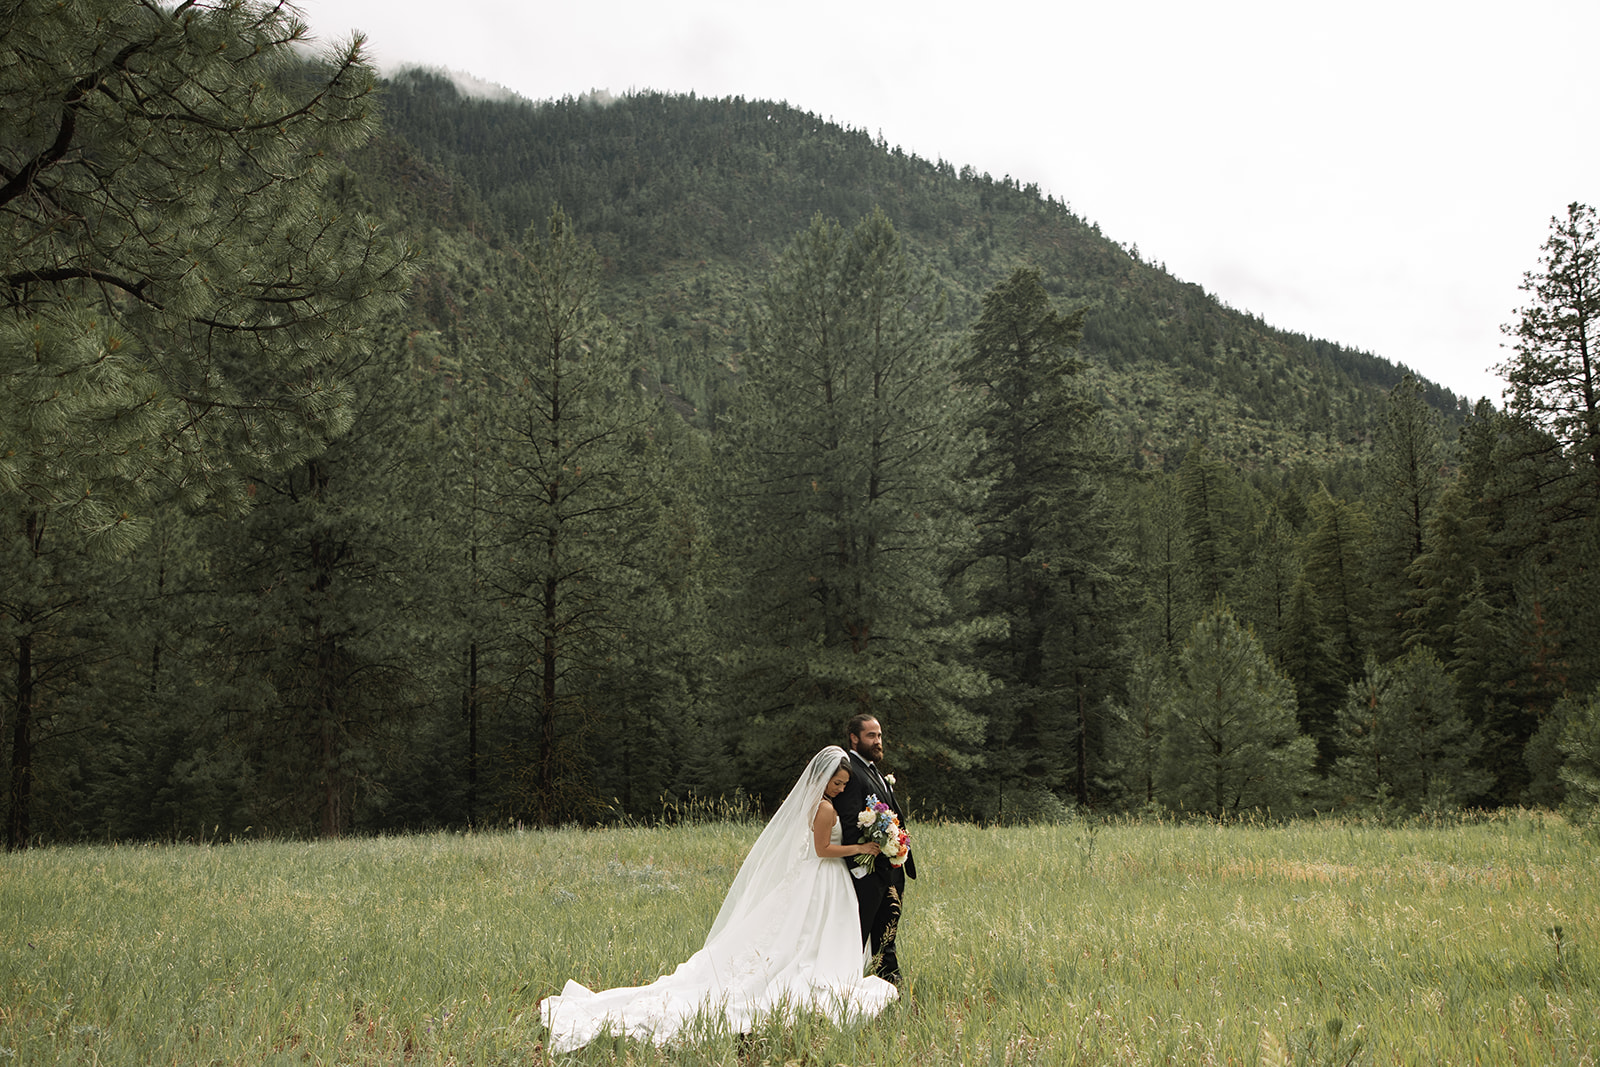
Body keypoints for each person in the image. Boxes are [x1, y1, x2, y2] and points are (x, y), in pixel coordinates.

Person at [539, 747, 897, 1052]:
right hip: (823, 877)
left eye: (844, 784)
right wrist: (861, 847)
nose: (841, 788)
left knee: (803, 936)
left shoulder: (822, 804)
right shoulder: (825, 809)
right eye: (838, 782)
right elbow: (822, 850)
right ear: (824, 778)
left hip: (821, 880)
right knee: (804, 940)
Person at [831, 714, 914, 985]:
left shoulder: (873, 769)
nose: (878, 741)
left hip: (891, 867)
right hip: (869, 871)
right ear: (854, 738)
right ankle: (845, 987)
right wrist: (860, 868)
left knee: (886, 935)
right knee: (860, 934)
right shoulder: (851, 771)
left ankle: (889, 986)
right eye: (871, 736)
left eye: (879, 736)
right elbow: (850, 820)